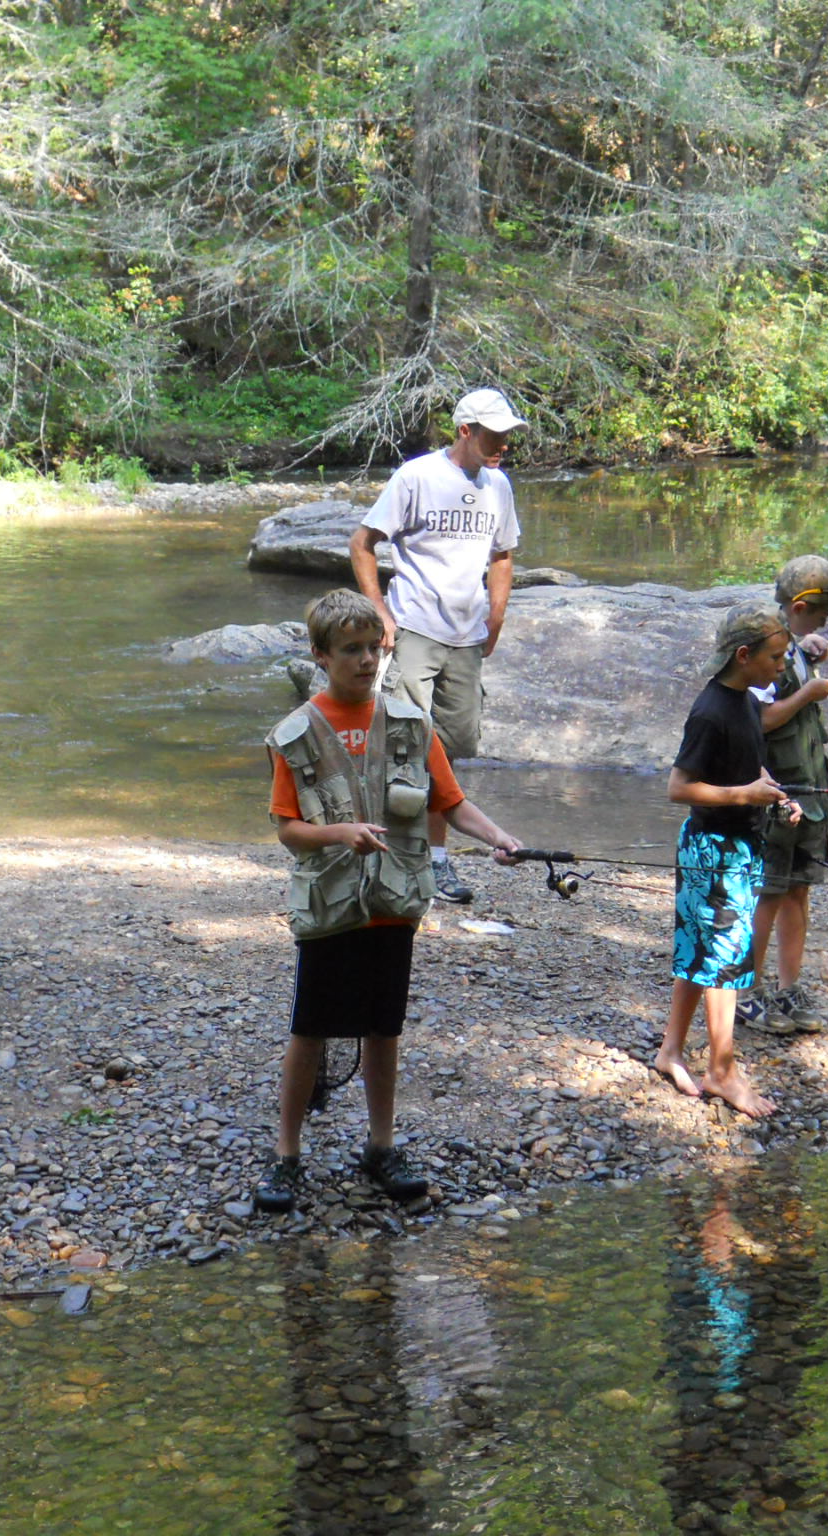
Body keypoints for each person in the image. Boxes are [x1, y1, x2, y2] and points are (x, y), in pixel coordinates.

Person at [257, 588, 522, 1214]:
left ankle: (381, 1145)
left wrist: (498, 838)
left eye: (374, 648)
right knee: (311, 1028)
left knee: (384, 1027)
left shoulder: (411, 723)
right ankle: (287, 1155)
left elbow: (449, 804)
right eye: (351, 650)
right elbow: (288, 829)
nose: (367, 661)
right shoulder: (295, 735)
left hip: (394, 905)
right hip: (329, 907)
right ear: (320, 655)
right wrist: (339, 833)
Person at [348, 387, 525, 905]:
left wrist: (496, 614)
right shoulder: (417, 477)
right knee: (406, 747)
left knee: (446, 752)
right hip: (416, 629)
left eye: (507, 437)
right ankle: (414, 857)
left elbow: (502, 555)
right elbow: (363, 543)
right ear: (465, 431)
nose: (502, 446)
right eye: (494, 436)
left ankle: (422, 854)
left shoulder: (498, 486)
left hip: (467, 637)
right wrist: (381, 612)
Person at [654, 603, 800, 1119]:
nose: (784, 665)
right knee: (726, 964)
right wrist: (744, 796)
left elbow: (746, 762)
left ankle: (670, 1050)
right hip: (713, 851)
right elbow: (679, 787)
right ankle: (722, 1070)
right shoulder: (710, 712)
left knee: (701, 951)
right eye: (777, 657)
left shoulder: (743, 700)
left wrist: (774, 794)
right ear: (744, 656)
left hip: (737, 845)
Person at [741, 555, 828, 1034]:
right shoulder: (764, 650)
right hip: (778, 798)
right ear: (798, 606)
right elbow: (759, 720)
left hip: (811, 796)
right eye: (823, 614)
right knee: (767, 895)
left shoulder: (790, 645)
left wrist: (805, 650)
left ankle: (789, 988)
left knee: (798, 892)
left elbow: (793, 655)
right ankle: (749, 991)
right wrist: (806, 695)